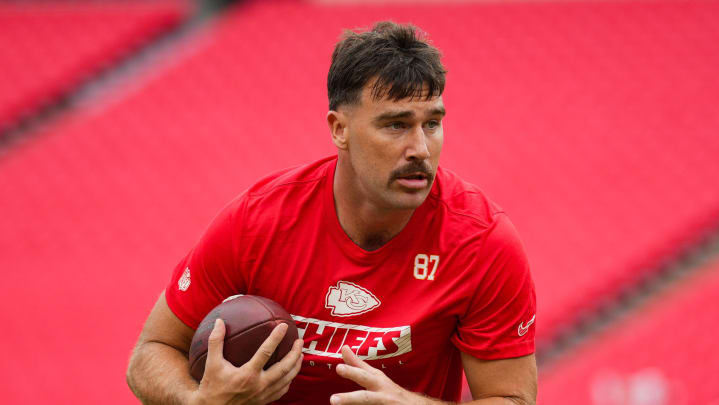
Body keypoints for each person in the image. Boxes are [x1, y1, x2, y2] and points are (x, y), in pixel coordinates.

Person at [127, 21, 537, 405]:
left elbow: (513, 398)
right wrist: (202, 402)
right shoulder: (259, 220)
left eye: (432, 124)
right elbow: (152, 351)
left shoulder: (482, 241)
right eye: (396, 125)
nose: (420, 148)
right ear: (339, 129)